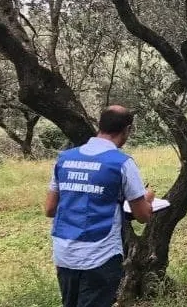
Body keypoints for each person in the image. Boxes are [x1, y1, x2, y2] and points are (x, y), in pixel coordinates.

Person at [44, 105, 157, 307]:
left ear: (99, 125)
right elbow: (142, 216)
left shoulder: (64, 159)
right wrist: (147, 197)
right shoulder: (122, 163)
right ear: (127, 130)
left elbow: (50, 209)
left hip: (64, 253)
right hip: (100, 255)